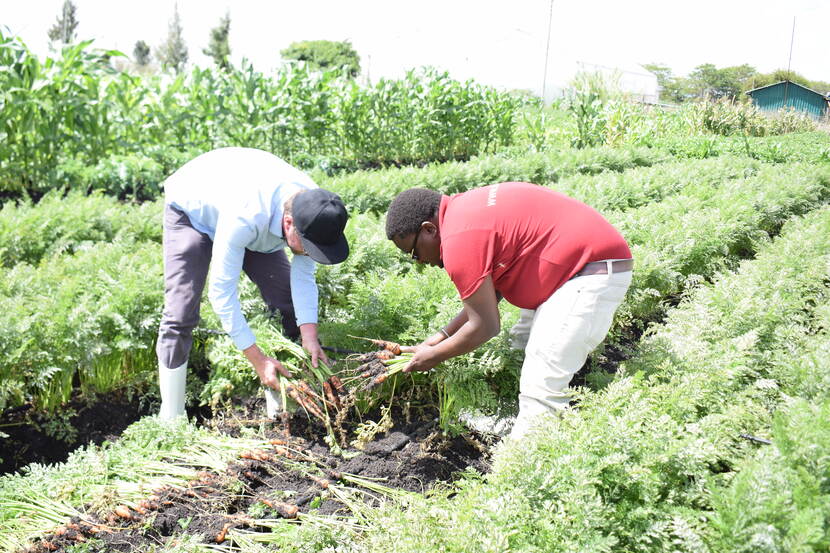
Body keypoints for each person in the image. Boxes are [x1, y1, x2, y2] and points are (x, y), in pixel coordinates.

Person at [385, 182, 632, 440]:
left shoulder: (459, 240)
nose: (421, 262)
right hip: (571, 273)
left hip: (588, 275)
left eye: (414, 253)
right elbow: (488, 298)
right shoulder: (462, 212)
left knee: (542, 385)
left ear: (429, 229)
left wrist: (434, 356)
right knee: (518, 348)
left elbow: (486, 325)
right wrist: (439, 338)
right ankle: (514, 422)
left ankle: (521, 465)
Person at [156, 147, 349, 420]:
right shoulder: (245, 218)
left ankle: (285, 395)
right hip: (192, 208)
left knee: (288, 303)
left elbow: (303, 275)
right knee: (181, 313)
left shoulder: (316, 209)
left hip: (250, 211)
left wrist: (309, 336)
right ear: (289, 223)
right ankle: (172, 418)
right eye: (307, 246)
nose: (309, 252)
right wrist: (258, 359)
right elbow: (221, 293)